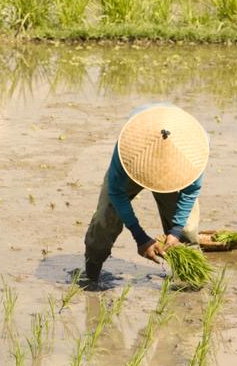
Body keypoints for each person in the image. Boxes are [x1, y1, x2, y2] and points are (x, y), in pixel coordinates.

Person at [83, 104, 209, 287]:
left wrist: (176, 231)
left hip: (176, 169)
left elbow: (190, 191)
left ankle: (189, 281)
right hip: (136, 163)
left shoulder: (194, 150)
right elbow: (117, 193)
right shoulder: (127, 151)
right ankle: (91, 274)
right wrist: (140, 237)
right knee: (105, 220)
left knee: (187, 231)